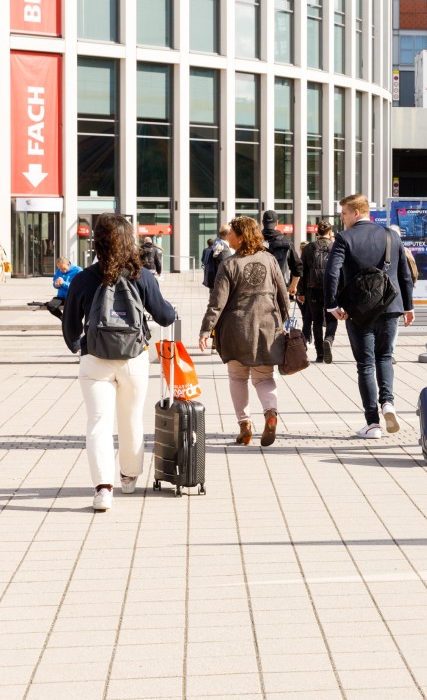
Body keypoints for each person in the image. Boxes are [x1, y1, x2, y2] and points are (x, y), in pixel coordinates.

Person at [61, 215, 176, 512]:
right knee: (131, 419)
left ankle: (103, 489)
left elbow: (71, 325)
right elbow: (165, 316)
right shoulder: (142, 276)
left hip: (95, 359)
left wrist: (78, 345)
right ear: (130, 242)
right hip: (134, 358)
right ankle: (128, 477)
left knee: (98, 423)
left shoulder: (85, 278)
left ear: (97, 243)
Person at [325, 194, 416, 439]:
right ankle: (388, 402)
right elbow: (404, 274)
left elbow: (331, 273)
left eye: (343, 213)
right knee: (385, 357)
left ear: (356, 213)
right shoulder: (391, 236)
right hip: (390, 305)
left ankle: (372, 423)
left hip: (359, 309)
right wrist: (408, 307)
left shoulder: (344, 238)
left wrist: (332, 305)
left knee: (365, 364)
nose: (341, 218)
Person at [198, 217, 291, 447]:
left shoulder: (229, 264)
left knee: (237, 377)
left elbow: (216, 302)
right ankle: (270, 413)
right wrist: (285, 321)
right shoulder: (269, 260)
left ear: (240, 238)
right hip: (267, 327)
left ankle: (245, 425)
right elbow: (283, 294)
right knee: (264, 377)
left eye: (231, 233)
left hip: (237, 329)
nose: (227, 236)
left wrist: (205, 329)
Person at [298, 219, 338, 364]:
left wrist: (300, 292)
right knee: (332, 318)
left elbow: (302, 271)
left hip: (312, 289)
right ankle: (329, 339)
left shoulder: (309, 247)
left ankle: (320, 353)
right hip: (331, 289)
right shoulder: (335, 246)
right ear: (330, 232)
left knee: (316, 321)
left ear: (317, 233)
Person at [261, 209, 302, 299]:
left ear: (263, 222)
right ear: (277, 223)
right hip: (280, 287)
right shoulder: (286, 241)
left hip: (259, 289)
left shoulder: (254, 241)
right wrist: (293, 286)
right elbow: (297, 266)